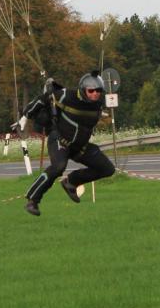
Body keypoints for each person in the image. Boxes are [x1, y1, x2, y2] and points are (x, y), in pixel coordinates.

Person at [21, 73, 115, 216]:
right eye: (91, 90)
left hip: (80, 147)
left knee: (107, 169)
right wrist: (26, 115)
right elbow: (43, 99)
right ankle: (32, 200)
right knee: (58, 167)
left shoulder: (97, 104)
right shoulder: (67, 95)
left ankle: (71, 182)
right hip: (60, 141)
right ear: (83, 90)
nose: (95, 94)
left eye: (98, 90)